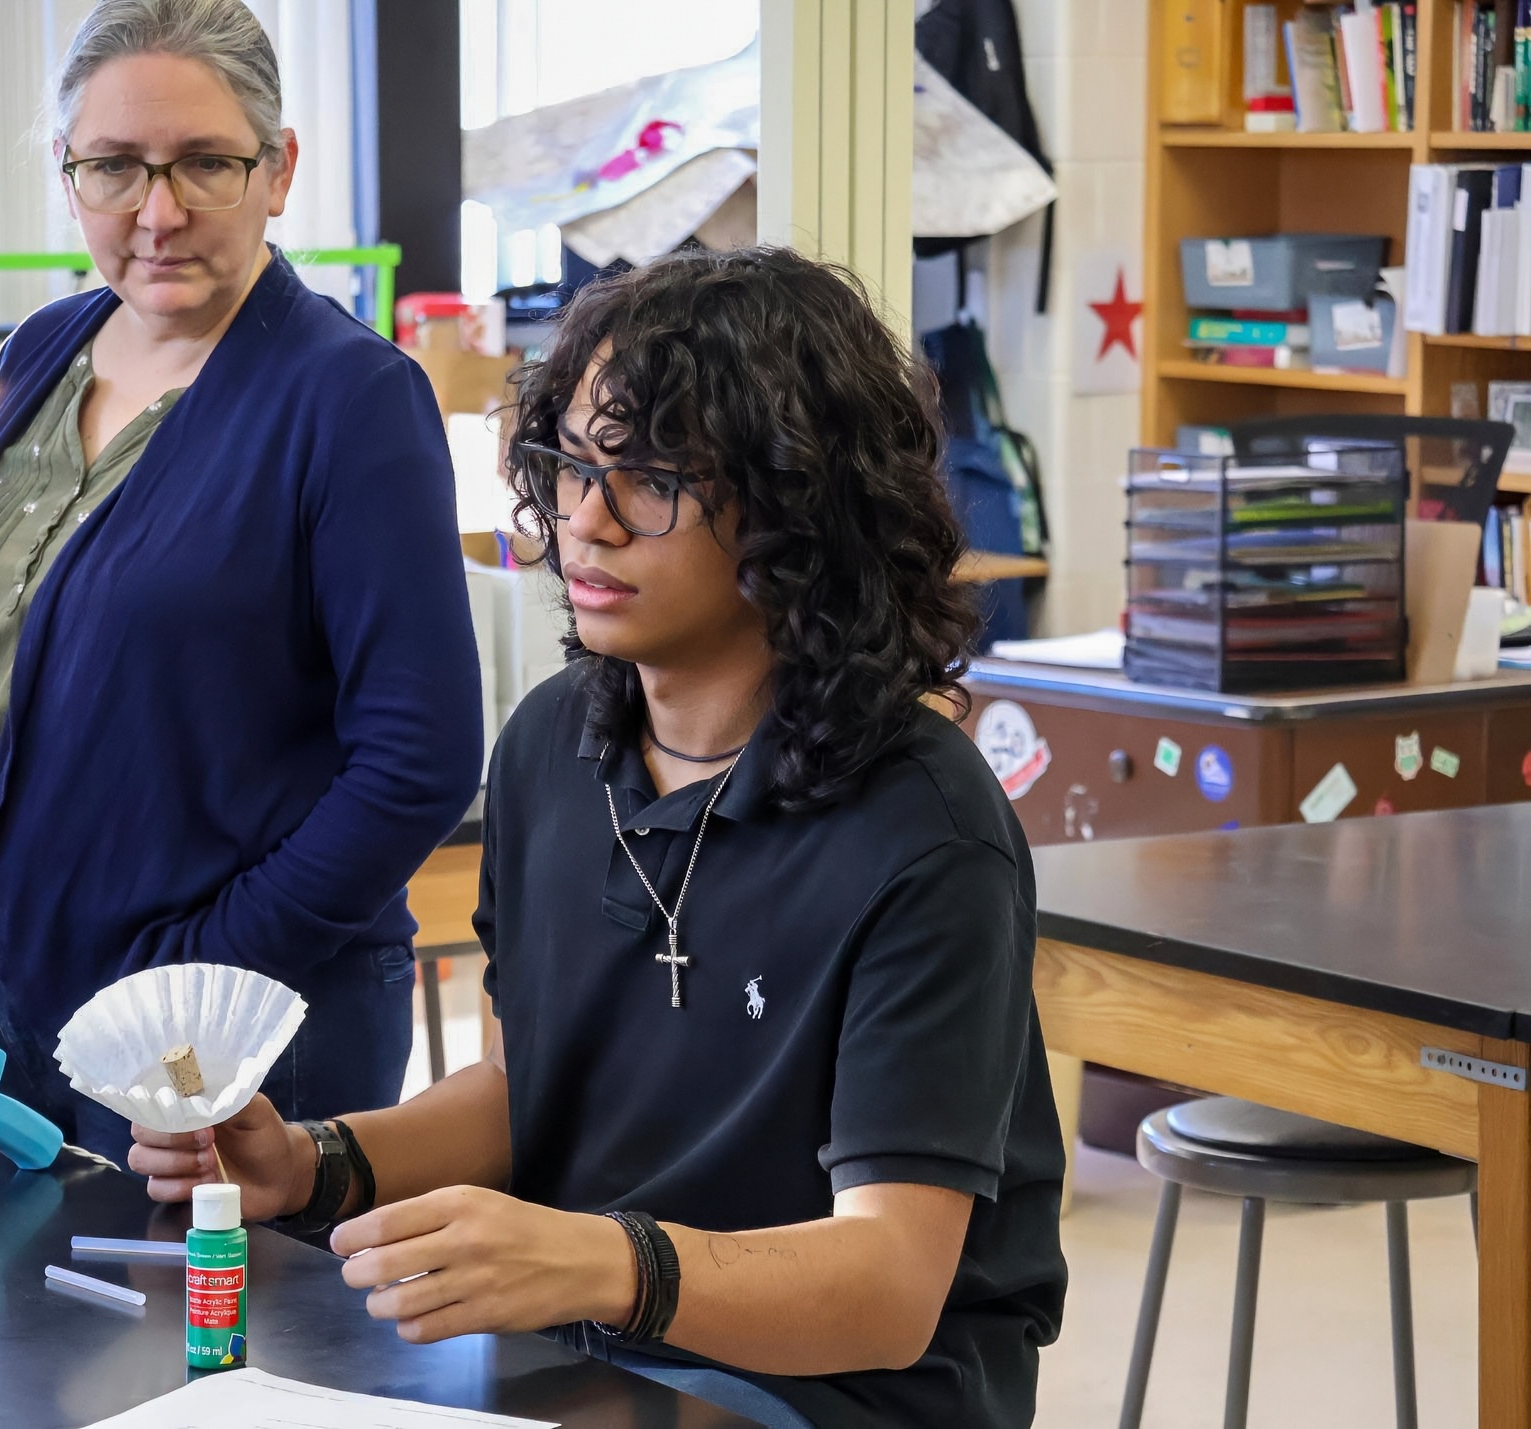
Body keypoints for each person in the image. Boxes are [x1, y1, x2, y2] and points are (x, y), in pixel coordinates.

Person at [130, 248, 1067, 1428]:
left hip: (833, 1395)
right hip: (587, 1361)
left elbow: (885, 1288)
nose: (584, 519)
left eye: (651, 476)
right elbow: (538, 1087)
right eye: (571, 463)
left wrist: (598, 1263)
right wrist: (314, 1163)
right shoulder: (550, 745)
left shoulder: (923, 832)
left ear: (798, 507)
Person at [0, 0, 483, 1162]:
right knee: (4, 1339)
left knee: (219, 1344)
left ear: (277, 170)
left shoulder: (349, 399)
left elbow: (418, 757)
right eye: (116, 169)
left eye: (204, 165)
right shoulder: (46, 349)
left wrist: (199, 975)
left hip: (218, 1025)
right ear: (68, 172)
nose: (158, 211)